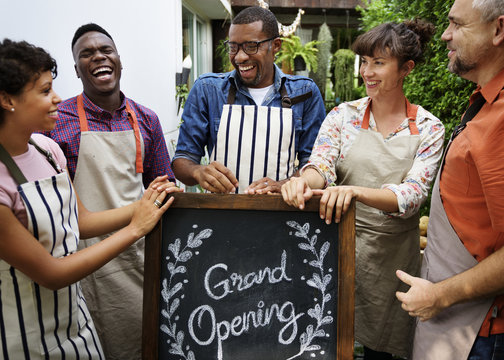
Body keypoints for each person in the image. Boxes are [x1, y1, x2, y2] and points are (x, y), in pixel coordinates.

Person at [0, 38, 181, 359]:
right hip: (25, 338)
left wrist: (143, 206)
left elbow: (80, 221)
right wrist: (134, 228)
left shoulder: (47, 150)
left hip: (78, 326)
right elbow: (51, 274)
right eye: (44, 91)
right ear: (6, 100)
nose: (57, 98)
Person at [282, 20, 445, 359]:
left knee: (380, 351)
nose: (367, 72)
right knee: (322, 341)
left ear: (407, 68)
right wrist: (302, 180)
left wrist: (354, 191)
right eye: (364, 62)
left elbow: (411, 197)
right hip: (336, 251)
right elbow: (322, 167)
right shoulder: (344, 116)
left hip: (390, 264)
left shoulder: (429, 128)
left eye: (379, 63)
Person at [45, 23, 175, 359]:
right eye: (86, 54)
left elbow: (165, 185)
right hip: (84, 258)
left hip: (141, 254)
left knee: (147, 342)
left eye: (106, 50)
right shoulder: (56, 122)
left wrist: (167, 192)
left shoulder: (146, 119)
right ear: (76, 69)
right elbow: (59, 207)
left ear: (119, 59)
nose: (98, 57)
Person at [395, 0, 504, 359]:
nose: (445, 35)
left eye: (457, 25)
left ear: (499, 30)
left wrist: (440, 295)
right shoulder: (484, 102)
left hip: (480, 333)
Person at [172, 6, 326, 194]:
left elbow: (314, 164)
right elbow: (182, 159)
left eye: (251, 46)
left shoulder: (304, 92)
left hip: (281, 213)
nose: (240, 57)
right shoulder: (208, 89)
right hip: (221, 215)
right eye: (233, 47)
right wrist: (198, 171)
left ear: (276, 45)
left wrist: (284, 185)